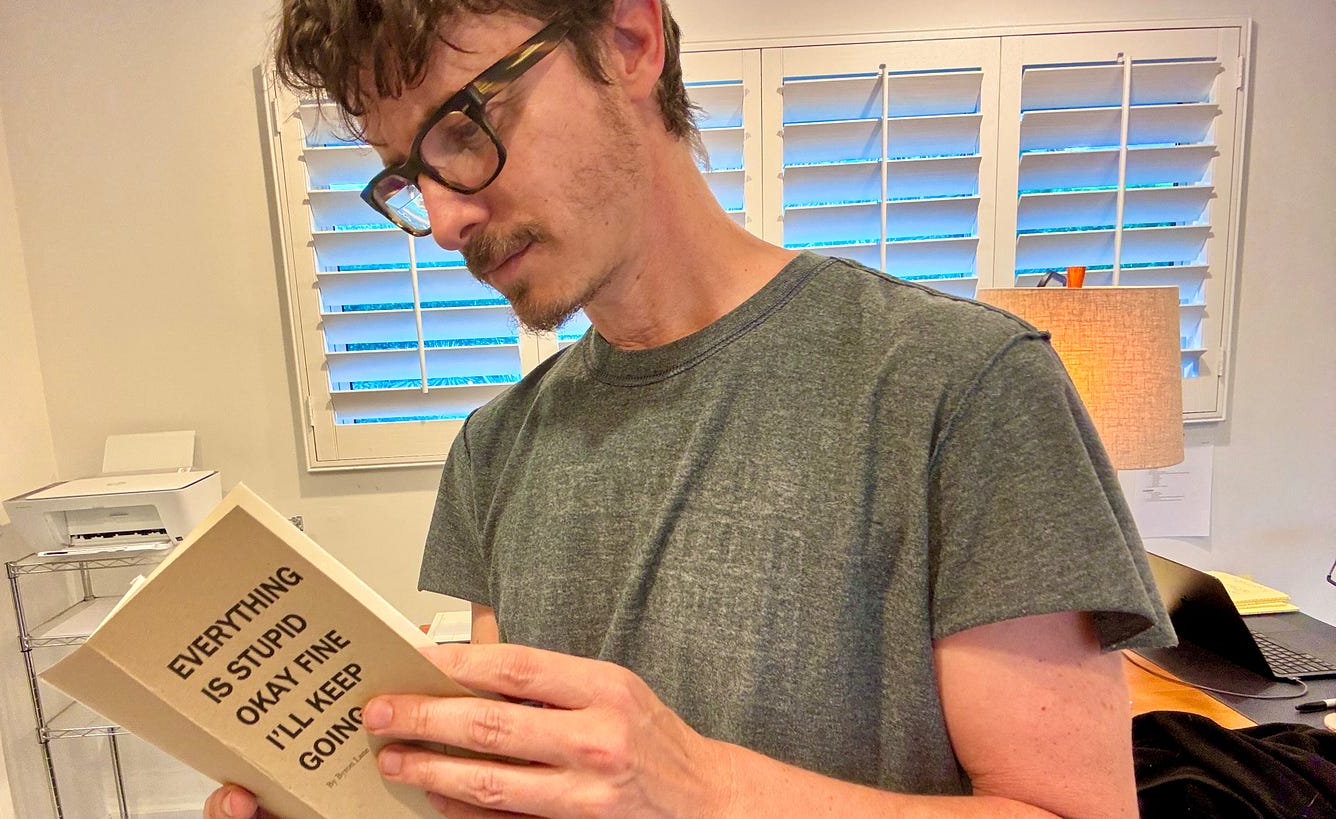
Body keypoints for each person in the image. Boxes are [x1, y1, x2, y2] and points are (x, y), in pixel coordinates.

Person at [206, 0, 1176, 816]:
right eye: (407, 175)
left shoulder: (962, 384)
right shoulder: (494, 448)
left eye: (463, 128)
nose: (448, 219)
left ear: (628, 42)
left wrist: (705, 789)